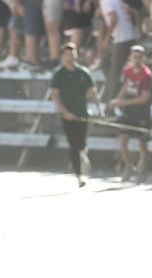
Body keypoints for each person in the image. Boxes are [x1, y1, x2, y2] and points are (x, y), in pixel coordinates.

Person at [50, 43, 98, 185]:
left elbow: (93, 92)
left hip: (82, 114)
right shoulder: (59, 74)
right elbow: (55, 95)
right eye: (66, 54)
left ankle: (83, 157)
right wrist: (65, 112)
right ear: (62, 56)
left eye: (72, 54)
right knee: (73, 144)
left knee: (81, 142)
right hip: (67, 116)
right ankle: (79, 175)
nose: (70, 57)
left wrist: (99, 111)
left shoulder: (83, 72)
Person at [110, 44, 152, 178]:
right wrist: (117, 100)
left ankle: (143, 169)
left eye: (139, 57)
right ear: (130, 57)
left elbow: (144, 97)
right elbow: (126, 86)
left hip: (142, 111)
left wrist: (123, 102)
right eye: (134, 57)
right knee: (123, 140)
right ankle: (129, 165)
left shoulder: (146, 75)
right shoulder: (127, 71)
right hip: (128, 111)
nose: (137, 60)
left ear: (144, 58)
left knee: (142, 143)